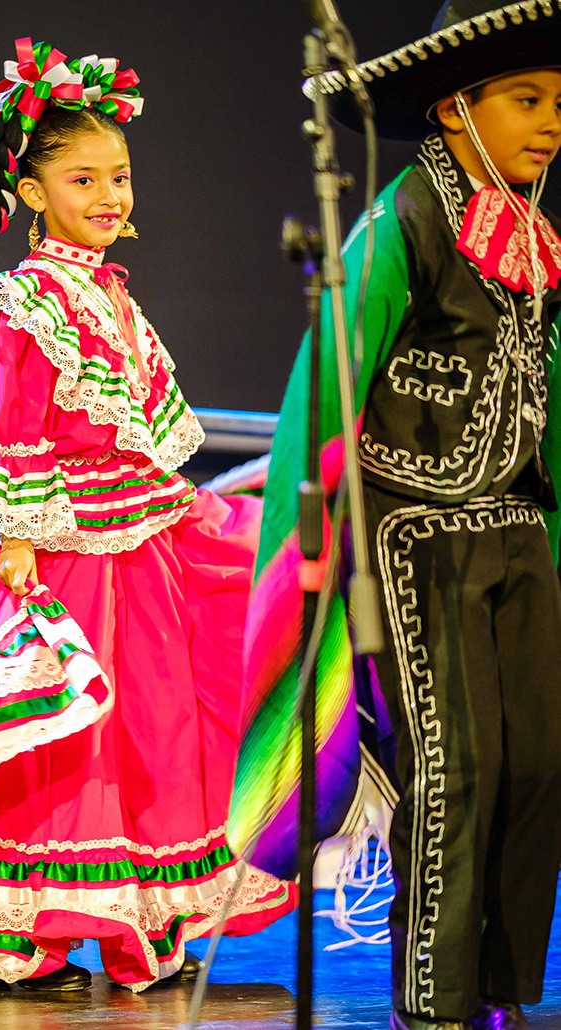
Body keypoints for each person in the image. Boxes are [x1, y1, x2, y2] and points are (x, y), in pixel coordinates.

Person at [0, 37, 297, 994]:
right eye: (82, 178)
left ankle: (145, 922)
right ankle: (31, 934)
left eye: (121, 176)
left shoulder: (110, 296)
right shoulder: (25, 302)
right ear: (30, 191)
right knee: (60, 739)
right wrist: (16, 538)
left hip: (140, 544)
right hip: (59, 549)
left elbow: (138, 431)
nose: (110, 196)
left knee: (152, 731)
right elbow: (13, 430)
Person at [227, 2, 561, 1029]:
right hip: (417, 536)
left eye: (556, 102)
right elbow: (326, 387)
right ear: (454, 108)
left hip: (513, 531)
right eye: (524, 100)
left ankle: (506, 990)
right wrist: (313, 535)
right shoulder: (404, 220)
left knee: (536, 763)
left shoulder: (534, 237)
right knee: (456, 766)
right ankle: (436, 999)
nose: (549, 122)